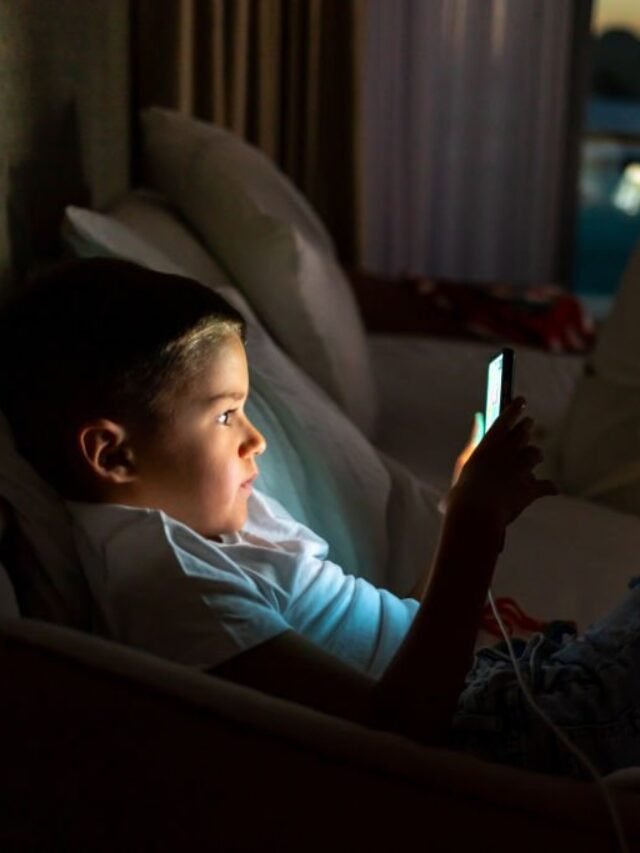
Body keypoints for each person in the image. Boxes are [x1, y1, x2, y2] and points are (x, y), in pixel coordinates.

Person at [1, 257, 639, 779]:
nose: (256, 440)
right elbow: (399, 730)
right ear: (111, 453)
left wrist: (454, 514)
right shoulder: (166, 584)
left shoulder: (219, 524)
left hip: (510, 680)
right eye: (226, 416)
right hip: (495, 728)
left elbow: (402, 637)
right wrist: (477, 530)